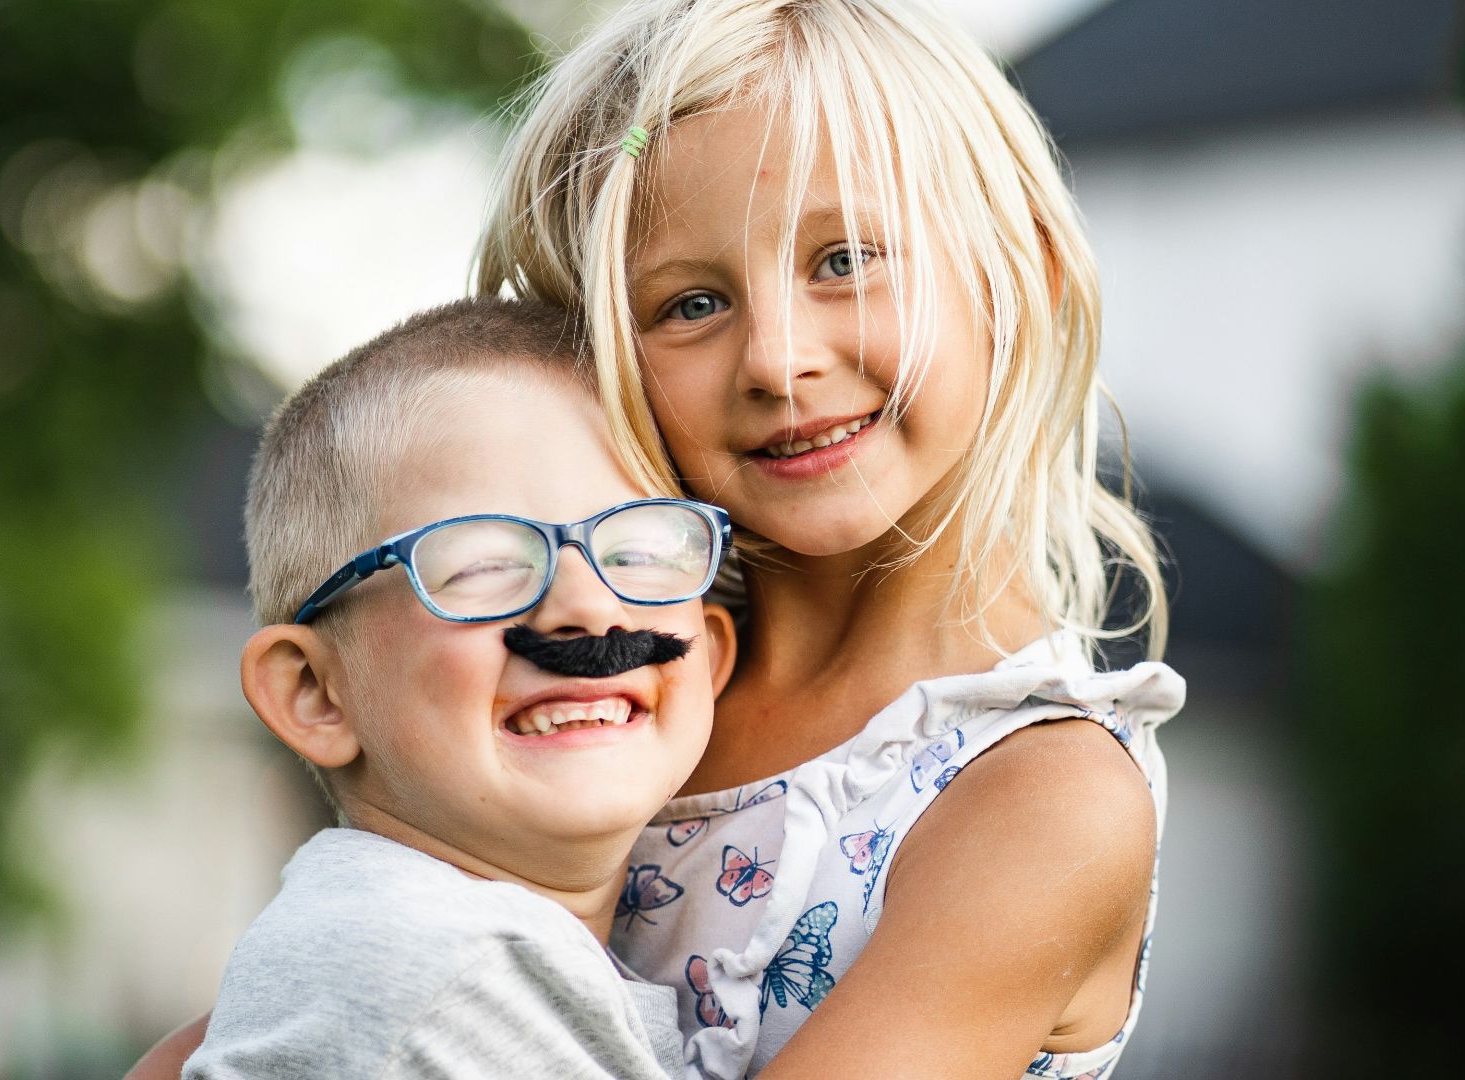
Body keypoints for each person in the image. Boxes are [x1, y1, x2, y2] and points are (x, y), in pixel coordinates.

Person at [469, 0, 1186, 1076]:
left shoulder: (1043, 797)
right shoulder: (615, 691)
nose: (776, 359)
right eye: (691, 303)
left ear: (1018, 276)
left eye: (844, 259)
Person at [179, 298, 738, 1079]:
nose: (586, 608)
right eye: (481, 564)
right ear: (315, 692)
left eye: (641, 547)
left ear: (711, 660)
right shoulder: (438, 969)